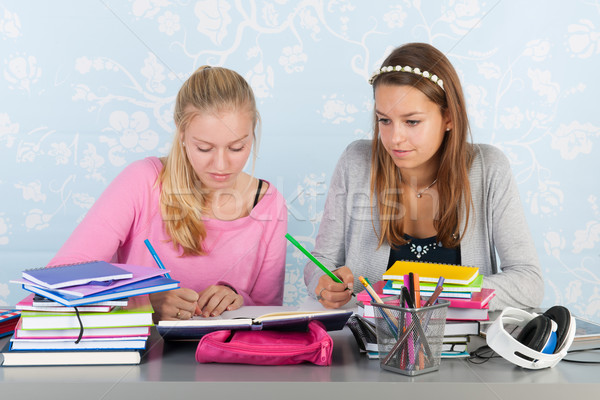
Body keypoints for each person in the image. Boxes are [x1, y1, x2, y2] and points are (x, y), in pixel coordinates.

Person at [304, 43, 544, 311]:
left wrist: (431, 294)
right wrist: (324, 283)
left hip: (464, 348)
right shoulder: (356, 161)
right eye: (384, 120)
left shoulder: (489, 168)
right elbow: (321, 262)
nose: (395, 138)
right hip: (371, 345)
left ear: (449, 117)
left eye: (412, 121)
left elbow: (529, 283)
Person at [49, 66, 288, 321]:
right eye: (204, 148)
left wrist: (236, 298)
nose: (221, 165)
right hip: (141, 356)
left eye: (237, 147)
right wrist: (143, 303)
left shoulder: (270, 205)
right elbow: (60, 279)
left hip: (228, 357)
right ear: (181, 132)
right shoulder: (143, 181)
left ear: (253, 133)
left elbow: (268, 317)